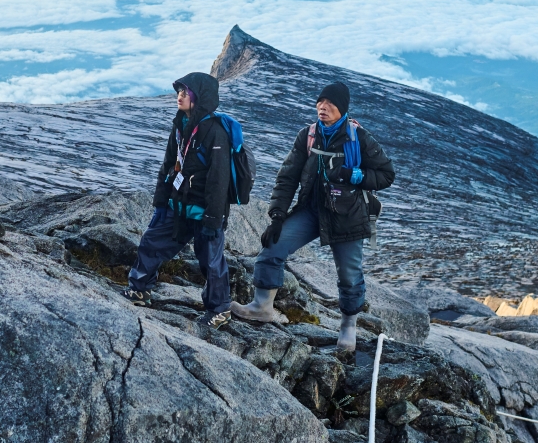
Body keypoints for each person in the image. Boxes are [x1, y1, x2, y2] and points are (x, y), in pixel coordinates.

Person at [232, 81, 395, 352]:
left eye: (329, 103)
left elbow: (387, 174)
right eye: (320, 102)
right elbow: (287, 178)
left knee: (349, 275)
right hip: (311, 211)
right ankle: (261, 306)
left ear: (342, 108)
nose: (322, 107)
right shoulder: (307, 136)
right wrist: (277, 216)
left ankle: (348, 328)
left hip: (347, 216)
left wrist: (357, 176)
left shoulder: (359, 138)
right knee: (272, 247)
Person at [122, 72, 234, 329]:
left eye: (186, 92)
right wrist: (161, 202)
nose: (179, 96)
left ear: (199, 96)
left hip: (205, 210)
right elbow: (168, 165)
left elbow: (219, 180)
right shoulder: (180, 124)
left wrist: (214, 217)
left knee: (210, 261)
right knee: (151, 242)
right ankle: (139, 289)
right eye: (179, 91)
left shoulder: (216, 133)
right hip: (177, 205)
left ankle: (219, 309)